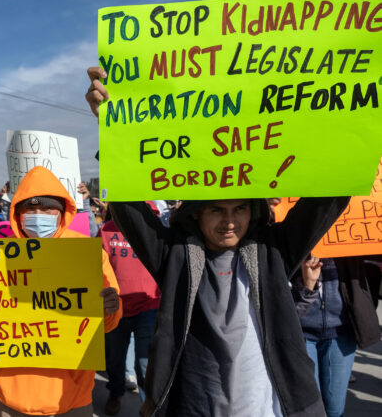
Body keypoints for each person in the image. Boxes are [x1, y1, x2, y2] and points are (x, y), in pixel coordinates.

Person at [86, 66, 350, 416]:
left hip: (269, 407)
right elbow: (126, 205)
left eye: (239, 209)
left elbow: (329, 198)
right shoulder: (175, 255)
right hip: (192, 405)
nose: (229, 221)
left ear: (252, 212)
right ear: (195, 214)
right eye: (216, 210)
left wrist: (350, 125)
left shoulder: (274, 251)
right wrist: (111, 128)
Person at [0, 166, 121, 416]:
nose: (38, 215)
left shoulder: (87, 254)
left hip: (72, 398)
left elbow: (109, 325)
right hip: (9, 396)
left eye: (46, 209)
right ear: (18, 214)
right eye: (30, 210)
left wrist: (110, 308)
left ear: (62, 212)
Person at [294, 255, 381, 417]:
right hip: (299, 333)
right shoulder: (291, 238)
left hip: (341, 332)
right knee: (307, 409)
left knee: (335, 408)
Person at [100, 205, 161, 415]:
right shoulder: (106, 230)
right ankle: (115, 393)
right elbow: (95, 265)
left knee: (146, 364)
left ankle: (148, 404)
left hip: (149, 305)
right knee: (115, 360)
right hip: (115, 308)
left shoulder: (155, 228)